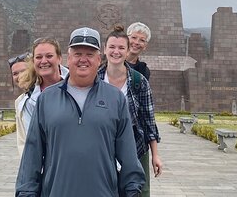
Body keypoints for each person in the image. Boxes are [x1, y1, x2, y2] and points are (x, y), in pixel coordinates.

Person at [16, 27, 145, 197]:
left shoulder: (115, 99)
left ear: (99, 59)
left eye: (90, 54)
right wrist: (26, 192)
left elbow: (128, 154)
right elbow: (31, 155)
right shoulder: (47, 99)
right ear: (68, 59)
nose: (83, 60)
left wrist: (133, 190)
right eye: (77, 54)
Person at [99, 25, 162, 197]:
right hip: (101, 149)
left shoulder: (139, 81)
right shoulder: (94, 79)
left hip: (135, 147)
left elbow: (148, 120)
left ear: (126, 51)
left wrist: (155, 155)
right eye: (112, 47)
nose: (116, 51)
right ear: (104, 49)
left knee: (138, 192)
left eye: (121, 48)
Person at [15, 38, 68, 155]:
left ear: (59, 58)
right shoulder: (27, 101)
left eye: (49, 56)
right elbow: (28, 143)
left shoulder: (77, 87)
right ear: (33, 61)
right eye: (39, 57)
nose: (44, 61)